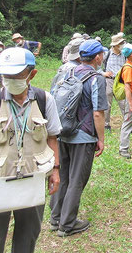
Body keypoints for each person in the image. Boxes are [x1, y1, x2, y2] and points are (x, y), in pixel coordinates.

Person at [0, 47, 61, 252]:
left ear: (31, 74)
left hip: (33, 179)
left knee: (28, 238)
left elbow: (52, 138)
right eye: (5, 75)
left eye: (16, 74)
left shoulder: (45, 100)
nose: (9, 79)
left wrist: (55, 170)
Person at [50, 39, 107, 237]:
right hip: (83, 136)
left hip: (62, 132)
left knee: (63, 175)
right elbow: (98, 113)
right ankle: (67, 224)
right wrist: (101, 138)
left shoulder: (67, 72)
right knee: (77, 180)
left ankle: (56, 217)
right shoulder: (96, 78)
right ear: (97, 57)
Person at [101, 33, 127, 131]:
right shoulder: (106, 54)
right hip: (109, 81)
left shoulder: (124, 55)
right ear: (115, 45)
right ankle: (106, 124)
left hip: (120, 81)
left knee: (123, 103)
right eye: (121, 43)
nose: (122, 44)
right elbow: (97, 66)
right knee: (107, 104)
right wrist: (103, 73)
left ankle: (127, 124)